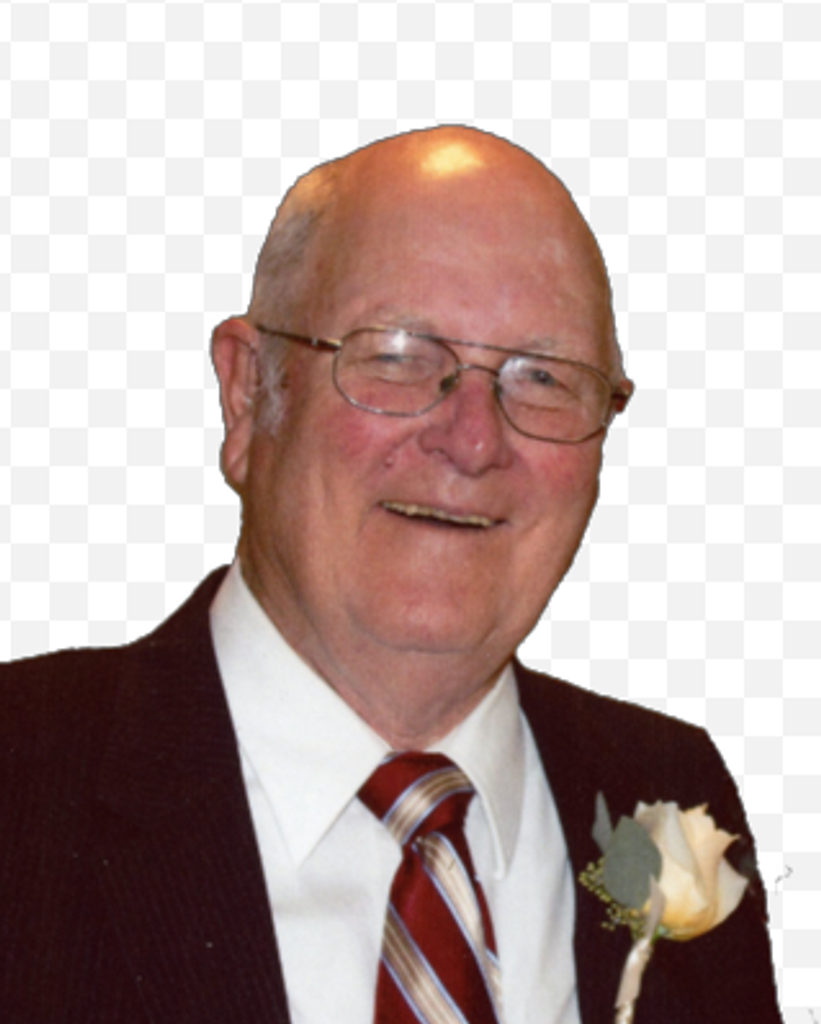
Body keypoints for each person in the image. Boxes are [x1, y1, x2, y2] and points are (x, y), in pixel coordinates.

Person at [0, 126, 781, 1024]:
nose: (473, 441)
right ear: (248, 393)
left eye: (543, 377)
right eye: (399, 356)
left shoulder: (668, 793)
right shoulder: (23, 781)